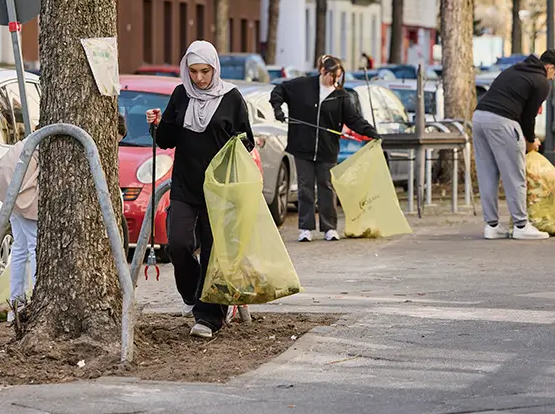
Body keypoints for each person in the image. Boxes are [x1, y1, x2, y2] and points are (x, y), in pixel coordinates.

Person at [146, 40, 253, 339]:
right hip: (185, 185)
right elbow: (167, 138)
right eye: (193, 71)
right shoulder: (182, 94)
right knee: (178, 245)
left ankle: (208, 317)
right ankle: (195, 296)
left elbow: (247, 141)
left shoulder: (231, 97)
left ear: (215, 68)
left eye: (205, 71)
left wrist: (235, 148)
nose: (200, 79)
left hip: (219, 190)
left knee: (212, 253)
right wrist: (157, 124)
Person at [270, 54, 381, 243]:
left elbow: (353, 119)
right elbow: (278, 90)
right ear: (323, 71)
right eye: (332, 76)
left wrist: (371, 132)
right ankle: (305, 228)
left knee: (326, 187)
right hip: (302, 146)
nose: (335, 81)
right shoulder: (302, 86)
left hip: (327, 148)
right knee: (305, 188)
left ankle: (329, 228)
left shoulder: (340, 96)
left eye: (338, 77)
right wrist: (278, 109)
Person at [472, 50, 555, 241]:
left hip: (479, 118)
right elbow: (529, 116)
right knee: (515, 174)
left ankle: (492, 226)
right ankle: (521, 225)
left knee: (487, 174)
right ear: (549, 67)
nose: (551, 79)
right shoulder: (540, 82)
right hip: (503, 122)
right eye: (554, 74)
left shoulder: (516, 69)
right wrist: (531, 141)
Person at [0, 140, 38, 318]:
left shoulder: (33, 139)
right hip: (21, 184)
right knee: (35, 246)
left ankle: (16, 307)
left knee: (21, 247)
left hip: (11, 182)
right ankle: (35, 301)